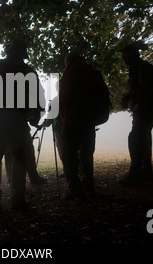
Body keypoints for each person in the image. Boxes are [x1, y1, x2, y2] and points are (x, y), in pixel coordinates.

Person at [0, 37, 45, 213]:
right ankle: (17, 200)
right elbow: (38, 100)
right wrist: (34, 117)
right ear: (23, 54)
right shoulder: (28, 71)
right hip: (18, 120)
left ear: (8, 51)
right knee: (19, 159)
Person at [59, 52, 105, 199]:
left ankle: (74, 189)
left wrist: (55, 108)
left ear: (68, 62)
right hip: (90, 120)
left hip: (72, 120)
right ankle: (89, 187)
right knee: (86, 154)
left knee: (69, 154)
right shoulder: (93, 73)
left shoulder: (71, 72)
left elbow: (64, 98)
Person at [119, 42, 153, 186]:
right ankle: (146, 173)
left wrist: (130, 95)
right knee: (144, 139)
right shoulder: (139, 68)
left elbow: (148, 90)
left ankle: (136, 174)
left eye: (125, 55)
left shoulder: (142, 68)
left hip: (145, 110)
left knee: (135, 138)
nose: (123, 59)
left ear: (132, 54)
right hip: (145, 110)